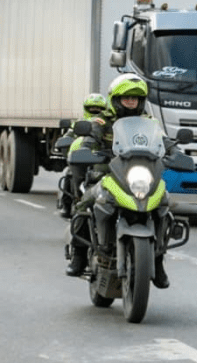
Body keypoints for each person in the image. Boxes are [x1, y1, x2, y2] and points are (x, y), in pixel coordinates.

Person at [65, 74, 170, 289]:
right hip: (106, 174)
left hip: (140, 177)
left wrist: (176, 151)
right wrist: (86, 149)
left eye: (135, 98)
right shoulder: (101, 122)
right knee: (84, 204)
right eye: (126, 98)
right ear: (115, 99)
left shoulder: (150, 123)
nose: (131, 102)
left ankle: (158, 260)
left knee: (164, 204)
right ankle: (79, 255)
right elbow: (90, 139)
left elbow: (164, 142)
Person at [58, 93, 108, 219]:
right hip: (82, 159)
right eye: (92, 108)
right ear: (86, 108)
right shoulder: (79, 123)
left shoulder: (108, 123)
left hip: (103, 159)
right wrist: (67, 142)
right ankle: (69, 204)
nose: (95, 111)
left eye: (99, 109)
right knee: (70, 173)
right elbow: (68, 136)